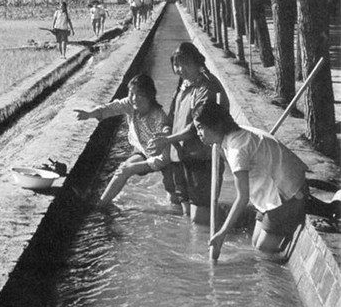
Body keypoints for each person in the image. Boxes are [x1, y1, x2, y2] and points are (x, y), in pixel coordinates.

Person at [193, 100, 309, 259]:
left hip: (288, 194)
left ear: (215, 125)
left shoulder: (237, 149)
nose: (198, 133)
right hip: (270, 194)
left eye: (200, 127)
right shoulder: (234, 136)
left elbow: (243, 198)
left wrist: (222, 233)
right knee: (254, 243)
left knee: (263, 249)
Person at [155, 42, 229, 224]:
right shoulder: (184, 83)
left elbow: (198, 126)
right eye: (176, 65)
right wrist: (166, 131)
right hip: (181, 156)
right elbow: (172, 116)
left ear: (197, 63)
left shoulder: (207, 86)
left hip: (202, 159)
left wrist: (168, 139)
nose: (180, 69)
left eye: (186, 64)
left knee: (199, 218)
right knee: (186, 212)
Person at [74, 74, 171, 208]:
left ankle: (100, 205)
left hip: (162, 158)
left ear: (149, 95)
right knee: (123, 169)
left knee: (174, 201)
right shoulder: (130, 105)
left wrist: (139, 166)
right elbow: (111, 107)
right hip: (143, 151)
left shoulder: (158, 117)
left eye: (140, 95)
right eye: (131, 93)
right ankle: (99, 205)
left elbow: (166, 156)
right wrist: (90, 114)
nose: (134, 98)